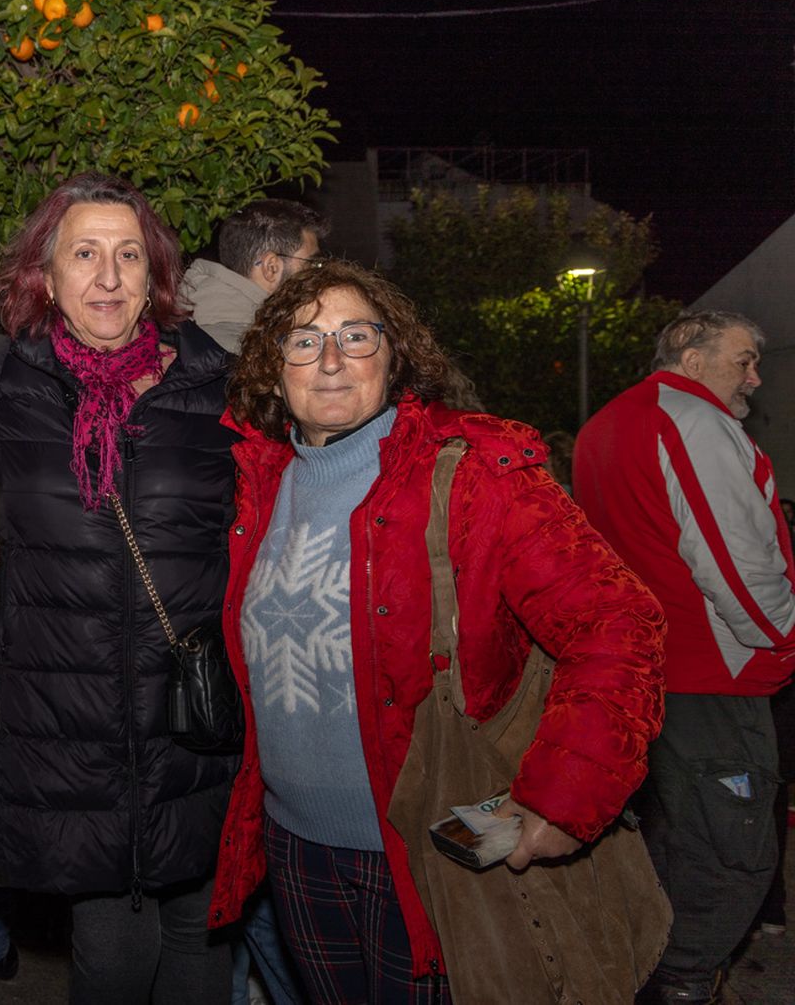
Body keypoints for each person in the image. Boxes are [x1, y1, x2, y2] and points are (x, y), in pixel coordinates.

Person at [211, 261, 666, 1001]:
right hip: (297, 852)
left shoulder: (477, 473)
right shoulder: (260, 483)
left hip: (432, 850)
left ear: (395, 357)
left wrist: (565, 792)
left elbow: (616, 620)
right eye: (304, 340)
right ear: (274, 368)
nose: (331, 360)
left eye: (356, 336)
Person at [0, 171, 238, 1003]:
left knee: (202, 938)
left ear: (155, 274)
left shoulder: (218, 385)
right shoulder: (0, 385)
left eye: (129, 255)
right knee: (112, 953)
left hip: (195, 720)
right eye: (84, 254)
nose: (108, 276)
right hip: (70, 727)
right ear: (45, 275)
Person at [574, 310, 795, 1004]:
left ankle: (653, 971)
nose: (754, 379)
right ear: (692, 359)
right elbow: (732, 555)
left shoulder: (608, 421)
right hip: (711, 673)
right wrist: (784, 635)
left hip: (650, 668)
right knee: (734, 855)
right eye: (743, 360)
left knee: (674, 843)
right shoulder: (691, 420)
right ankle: (681, 983)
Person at [182, 199, 328, 354]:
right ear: (271, 268)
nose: (318, 274)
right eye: (311, 263)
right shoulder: (241, 350)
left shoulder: (207, 320)